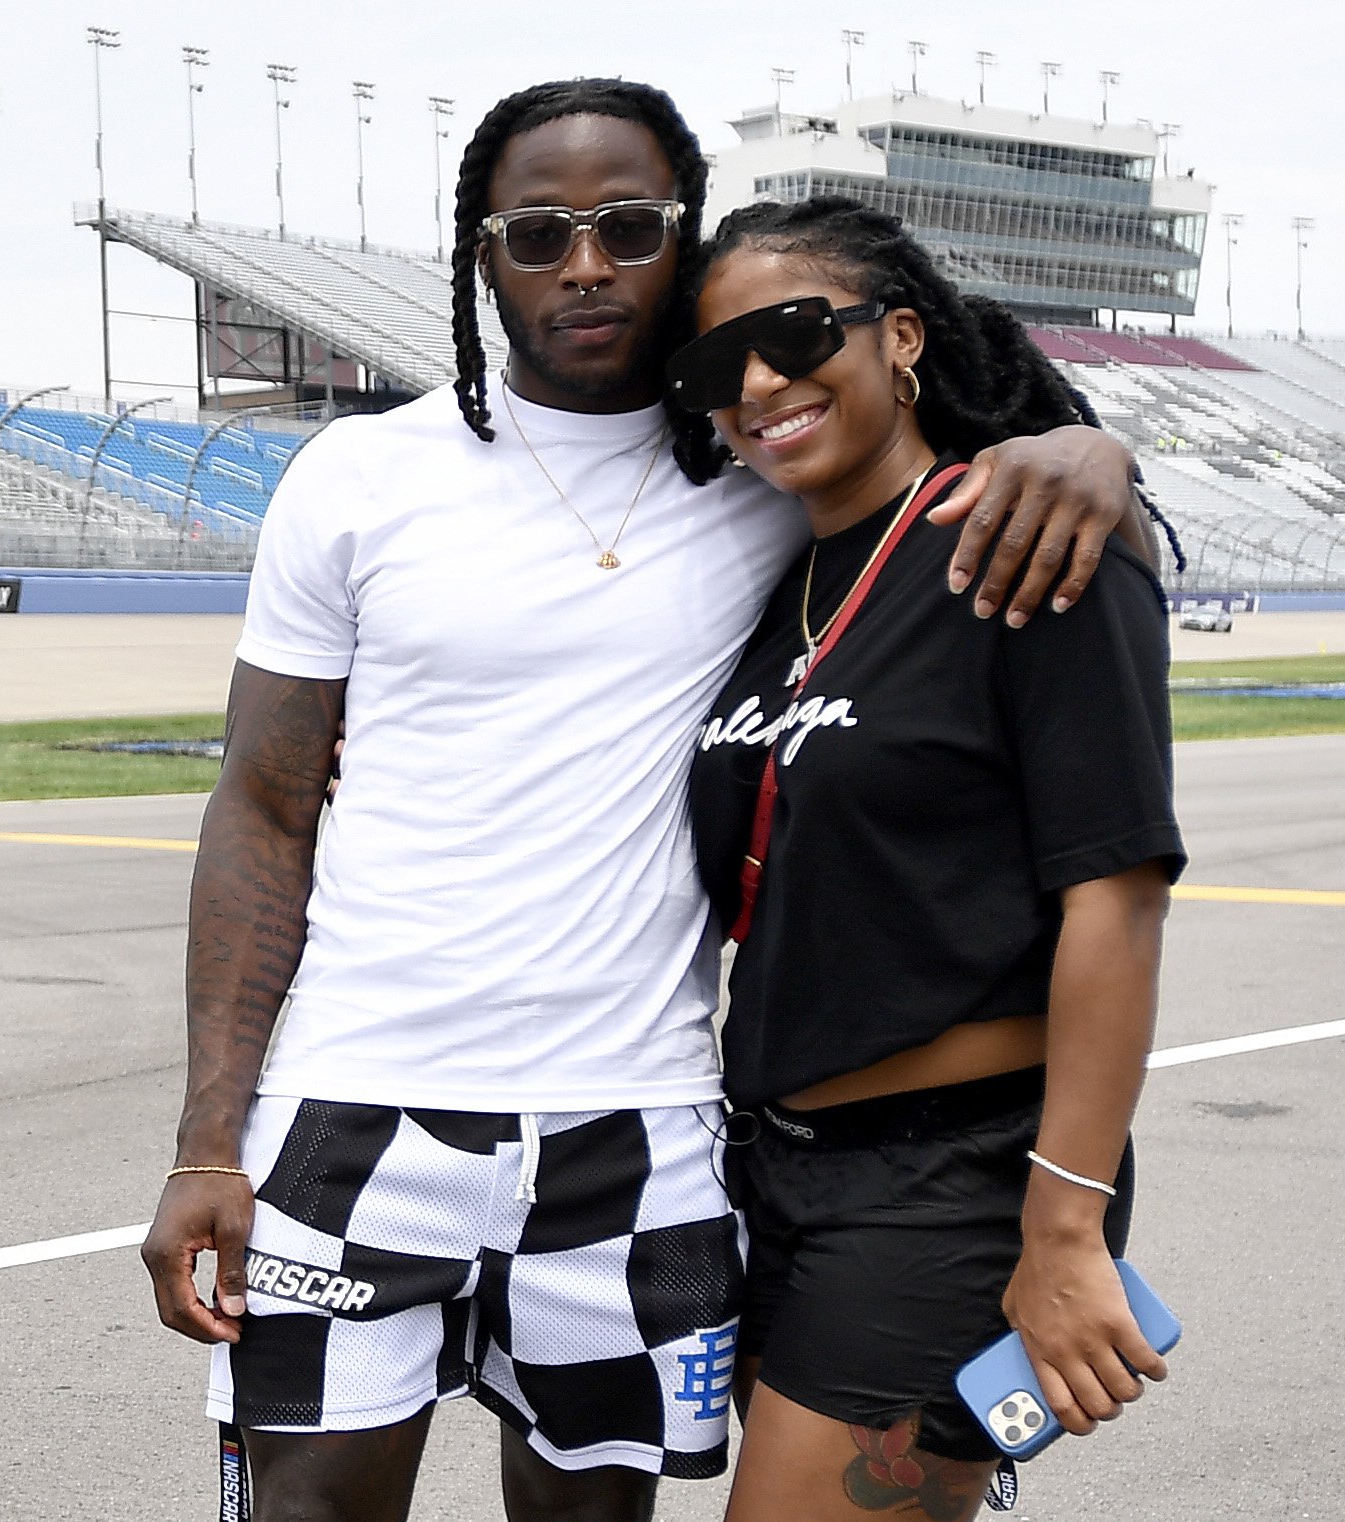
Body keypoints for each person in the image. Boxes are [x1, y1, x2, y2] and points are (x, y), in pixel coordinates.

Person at [137, 80, 1151, 1522]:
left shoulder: (758, 470)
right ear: (483, 257)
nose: (587, 262)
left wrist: (1089, 448)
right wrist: (205, 1137)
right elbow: (259, 807)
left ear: (681, 242)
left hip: (642, 1121)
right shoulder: (356, 476)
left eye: (628, 225)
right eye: (537, 232)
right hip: (354, 1102)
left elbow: (943, 466)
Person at [680, 196, 1185, 1521]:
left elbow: (1119, 902)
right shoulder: (775, 586)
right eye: (713, 364)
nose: (755, 385)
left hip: (958, 1177)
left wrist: (1064, 1226)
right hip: (774, 1166)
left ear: (902, 337)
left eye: (791, 334)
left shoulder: (1023, 540)